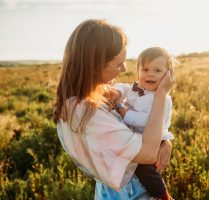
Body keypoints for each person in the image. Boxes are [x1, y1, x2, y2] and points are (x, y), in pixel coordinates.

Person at [53, 19, 174, 200]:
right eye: (118, 64)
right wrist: (161, 94)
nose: (125, 69)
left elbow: (137, 135)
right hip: (126, 194)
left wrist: (166, 142)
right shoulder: (85, 112)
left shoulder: (97, 94)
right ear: (94, 65)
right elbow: (148, 154)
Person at [111, 47, 175, 199]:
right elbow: (124, 87)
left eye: (157, 70)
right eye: (145, 69)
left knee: (144, 169)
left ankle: (163, 195)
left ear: (167, 75)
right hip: (137, 138)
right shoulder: (135, 88)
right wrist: (117, 92)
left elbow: (150, 121)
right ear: (138, 71)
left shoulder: (163, 99)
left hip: (154, 139)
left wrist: (126, 114)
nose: (150, 74)